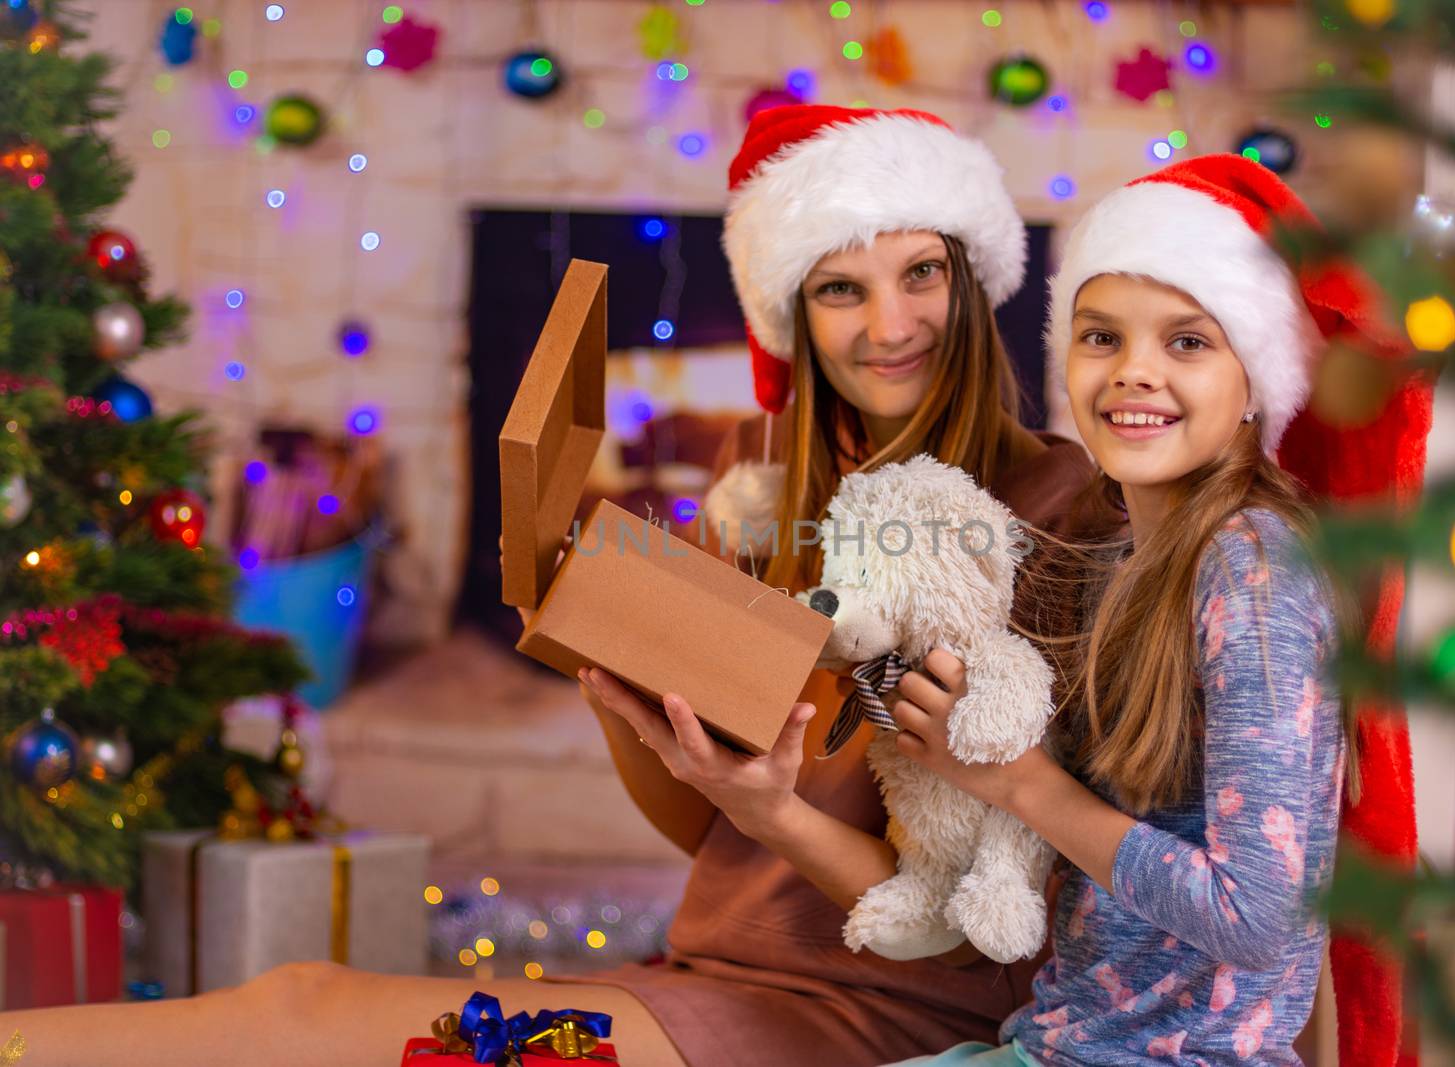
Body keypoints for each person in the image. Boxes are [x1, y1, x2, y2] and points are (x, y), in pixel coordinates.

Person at [7, 105, 1099, 1067]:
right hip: (710, 979)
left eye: (920, 274)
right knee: (307, 1005)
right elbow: (717, 835)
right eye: (841, 289)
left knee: (312, 1012)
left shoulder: (1066, 509)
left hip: (879, 1011)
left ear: (972, 278)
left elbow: (981, 912)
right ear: (796, 317)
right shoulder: (761, 498)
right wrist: (607, 667)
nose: (890, 324)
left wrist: (766, 811)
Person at [871, 155, 1432, 1066]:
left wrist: (1020, 783)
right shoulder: (1120, 546)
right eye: (1101, 338)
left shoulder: (1253, 571)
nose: (1134, 372)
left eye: (1187, 342)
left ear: (1257, 381)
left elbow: (1258, 917)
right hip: (1064, 1043)